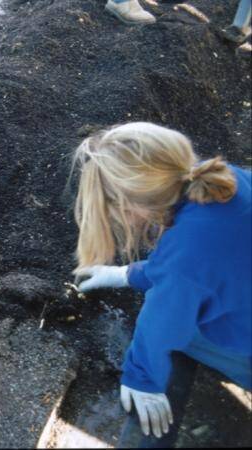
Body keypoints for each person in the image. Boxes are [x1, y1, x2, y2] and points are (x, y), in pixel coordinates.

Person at [70, 122, 251, 438]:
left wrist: (141, 378)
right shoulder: (227, 180)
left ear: (130, 206)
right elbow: (199, 266)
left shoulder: (185, 254)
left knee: (185, 327)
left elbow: (163, 322)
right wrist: (126, 274)